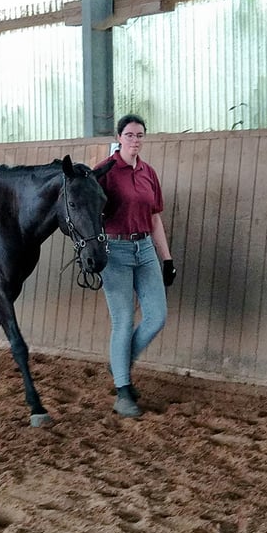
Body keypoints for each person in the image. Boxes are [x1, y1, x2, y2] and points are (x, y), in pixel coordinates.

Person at [95, 114, 176, 418]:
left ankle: (120, 363)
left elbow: (155, 217)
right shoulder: (103, 173)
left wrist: (166, 258)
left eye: (140, 135)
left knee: (157, 316)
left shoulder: (148, 173)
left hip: (144, 249)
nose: (135, 140)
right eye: (130, 135)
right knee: (124, 319)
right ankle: (123, 391)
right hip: (114, 249)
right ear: (120, 138)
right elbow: (87, 213)